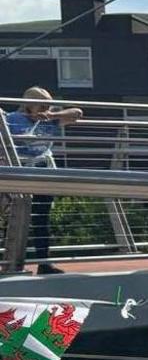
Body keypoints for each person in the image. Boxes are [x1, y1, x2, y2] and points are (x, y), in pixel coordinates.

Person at [6, 87, 84, 274]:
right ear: (28, 106)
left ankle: (44, 262)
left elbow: (77, 113)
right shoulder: (12, 119)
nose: (45, 108)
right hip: (20, 169)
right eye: (41, 105)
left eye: (47, 105)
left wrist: (50, 115)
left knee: (41, 217)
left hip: (43, 169)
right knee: (14, 217)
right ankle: (11, 262)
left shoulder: (51, 118)